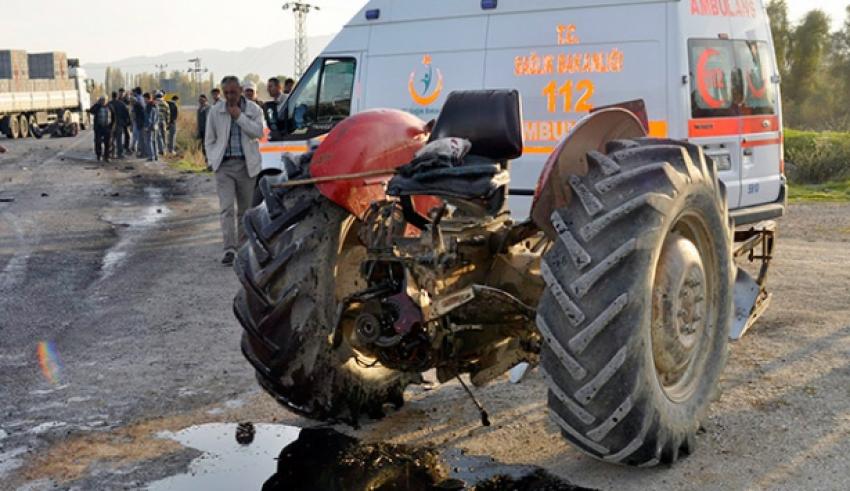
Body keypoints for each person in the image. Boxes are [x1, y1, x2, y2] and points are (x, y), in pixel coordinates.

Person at [205, 76, 263, 266]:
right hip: (225, 166)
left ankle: (244, 248)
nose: (230, 96)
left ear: (240, 90)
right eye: (226, 93)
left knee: (245, 211)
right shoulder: (216, 111)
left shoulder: (254, 110)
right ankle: (230, 248)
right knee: (227, 208)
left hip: (247, 166)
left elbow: (258, 132)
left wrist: (239, 116)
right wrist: (214, 160)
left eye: (233, 92)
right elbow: (209, 139)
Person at [89, 96, 115, 162]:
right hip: (99, 128)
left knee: (107, 143)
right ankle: (99, 155)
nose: (103, 101)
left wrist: (112, 126)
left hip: (107, 127)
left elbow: (113, 117)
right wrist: (97, 104)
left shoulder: (110, 107)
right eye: (102, 100)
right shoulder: (97, 107)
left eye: (104, 100)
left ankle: (107, 156)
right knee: (98, 142)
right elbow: (91, 110)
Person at [109, 91, 131, 159]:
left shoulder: (109, 104)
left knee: (111, 139)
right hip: (119, 124)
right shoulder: (122, 104)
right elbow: (126, 113)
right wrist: (127, 122)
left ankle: (111, 153)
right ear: (117, 96)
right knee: (119, 139)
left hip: (111, 124)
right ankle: (120, 154)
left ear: (112, 96)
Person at [143, 92, 160, 162]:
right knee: (154, 141)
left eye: (144, 98)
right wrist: (156, 124)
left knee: (148, 141)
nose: (144, 100)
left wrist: (147, 126)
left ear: (147, 98)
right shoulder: (155, 105)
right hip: (155, 126)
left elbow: (148, 117)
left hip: (150, 126)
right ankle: (156, 156)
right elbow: (158, 117)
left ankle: (151, 156)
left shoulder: (148, 106)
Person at [154, 91, 170, 157]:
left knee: (157, 136)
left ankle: (159, 149)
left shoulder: (155, 103)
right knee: (164, 136)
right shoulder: (166, 104)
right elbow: (168, 114)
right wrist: (167, 123)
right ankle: (164, 150)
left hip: (156, 121)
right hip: (163, 122)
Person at [196, 94, 210, 161]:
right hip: (201, 130)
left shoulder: (209, 108)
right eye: (199, 100)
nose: (200, 101)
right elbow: (198, 121)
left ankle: (209, 160)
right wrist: (198, 130)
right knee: (202, 146)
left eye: (202, 100)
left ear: (206, 100)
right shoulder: (199, 109)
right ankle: (205, 159)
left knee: (207, 145)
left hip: (208, 130)